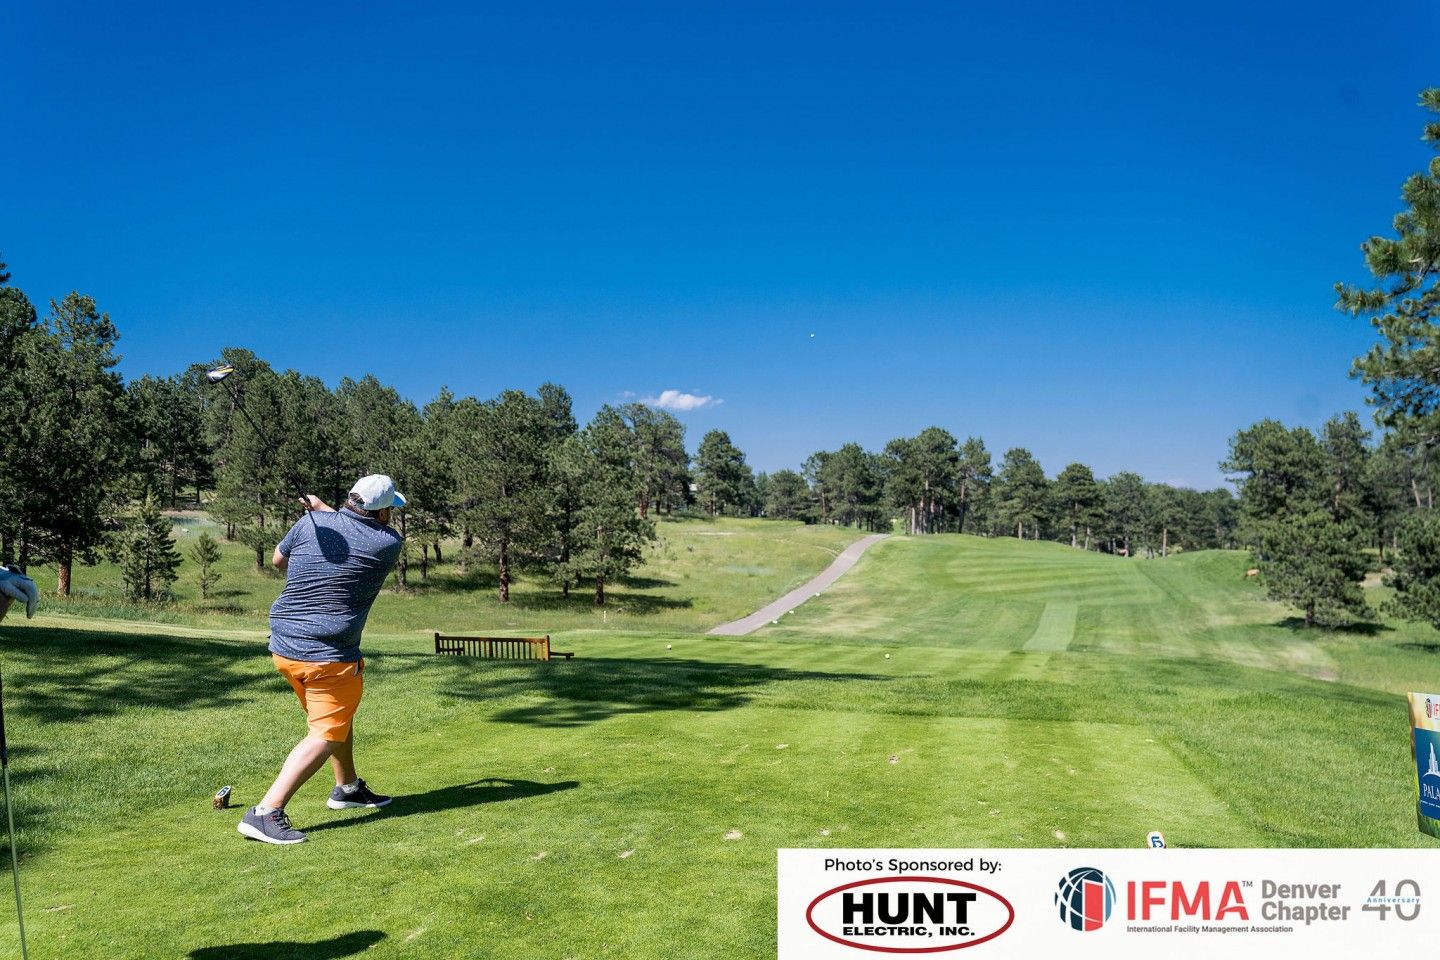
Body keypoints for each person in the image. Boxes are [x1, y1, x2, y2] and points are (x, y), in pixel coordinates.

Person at [238, 474, 406, 845]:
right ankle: (266, 812)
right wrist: (321, 512)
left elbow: (278, 561)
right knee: (326, 733)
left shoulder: (311, 522)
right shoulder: (388, 543)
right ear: (382, 515)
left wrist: (318, 514)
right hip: (328, 656)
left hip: (284, 648)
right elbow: (353, 532)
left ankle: (346, 788)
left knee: (335, 721)